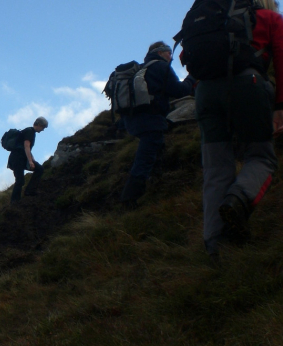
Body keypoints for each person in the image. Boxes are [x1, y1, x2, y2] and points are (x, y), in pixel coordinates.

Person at [193, 0, 283, 265]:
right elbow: (281, 58)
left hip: (205, 93)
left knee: (215, 168)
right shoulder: (268, 18)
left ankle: (215, 247)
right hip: (248, 85)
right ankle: (238, 199)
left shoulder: (208, 17)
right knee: (261, 157)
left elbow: (188, 57)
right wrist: (280, 105)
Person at [120, 41, 196, 207]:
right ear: (160, 52)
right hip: (151, 119)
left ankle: (152, 182)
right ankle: (130, 198)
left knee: (152, 149)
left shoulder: (141, 68)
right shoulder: (161, 67)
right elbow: (180, 91)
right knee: (146, 155)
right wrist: (191, 79)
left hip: (133, 120)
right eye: (169, 53)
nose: (171, 57)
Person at [7, 117, 48, 203]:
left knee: (39, 169)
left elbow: (26, 148)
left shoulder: (29, 131)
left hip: (19, 158)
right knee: (20, 180)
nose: (43, 130)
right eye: (43, 127)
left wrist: (32, 159)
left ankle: (30, 191)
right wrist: (30, 161)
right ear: (39, 125)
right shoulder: (30, 131)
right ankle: (15, 201)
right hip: (17, 158)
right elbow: (26, 146)